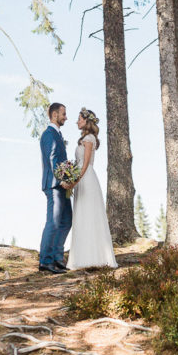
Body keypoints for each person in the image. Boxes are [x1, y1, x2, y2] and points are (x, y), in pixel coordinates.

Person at [67, 107, 117, 270]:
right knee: (82, 214)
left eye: (80, 119)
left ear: (87, 122)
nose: (77, 121)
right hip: (81, 177)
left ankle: (92, 256)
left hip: (86, 177)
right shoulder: (84, 138)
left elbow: (86, 163)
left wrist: (74, 180)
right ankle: (82, 255)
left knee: (88, 214)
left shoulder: (89, 138)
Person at [39, 102, 71, 274]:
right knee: (54, 221)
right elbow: (52, 158)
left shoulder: (58, 134)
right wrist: (62, 180)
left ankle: (58, 258)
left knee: (67, 220)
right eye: (63, 114)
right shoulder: (49, 134)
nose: (66, 117)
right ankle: (46, 260)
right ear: (54, 115)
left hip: (63, 185)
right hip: (54, 184)